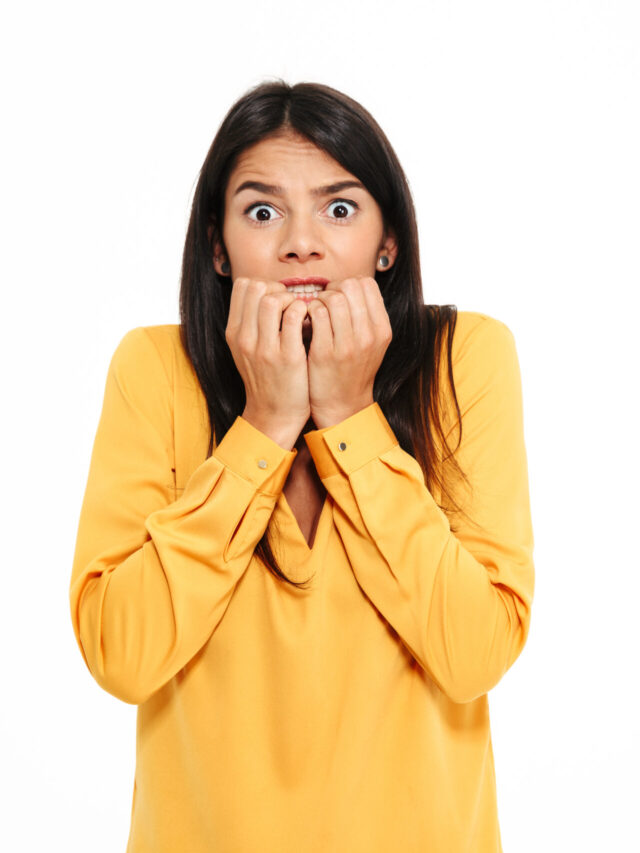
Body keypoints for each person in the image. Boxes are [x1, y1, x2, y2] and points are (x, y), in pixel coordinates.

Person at [69, 79, 535, 852]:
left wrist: (351, 418)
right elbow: (123, 654)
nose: (301, 242)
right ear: (218, 246)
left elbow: (475, 651)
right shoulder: (154, 369)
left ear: (389, 242)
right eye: (261, 211)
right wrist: (265, 423)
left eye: (339, 208)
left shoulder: (468, 358)